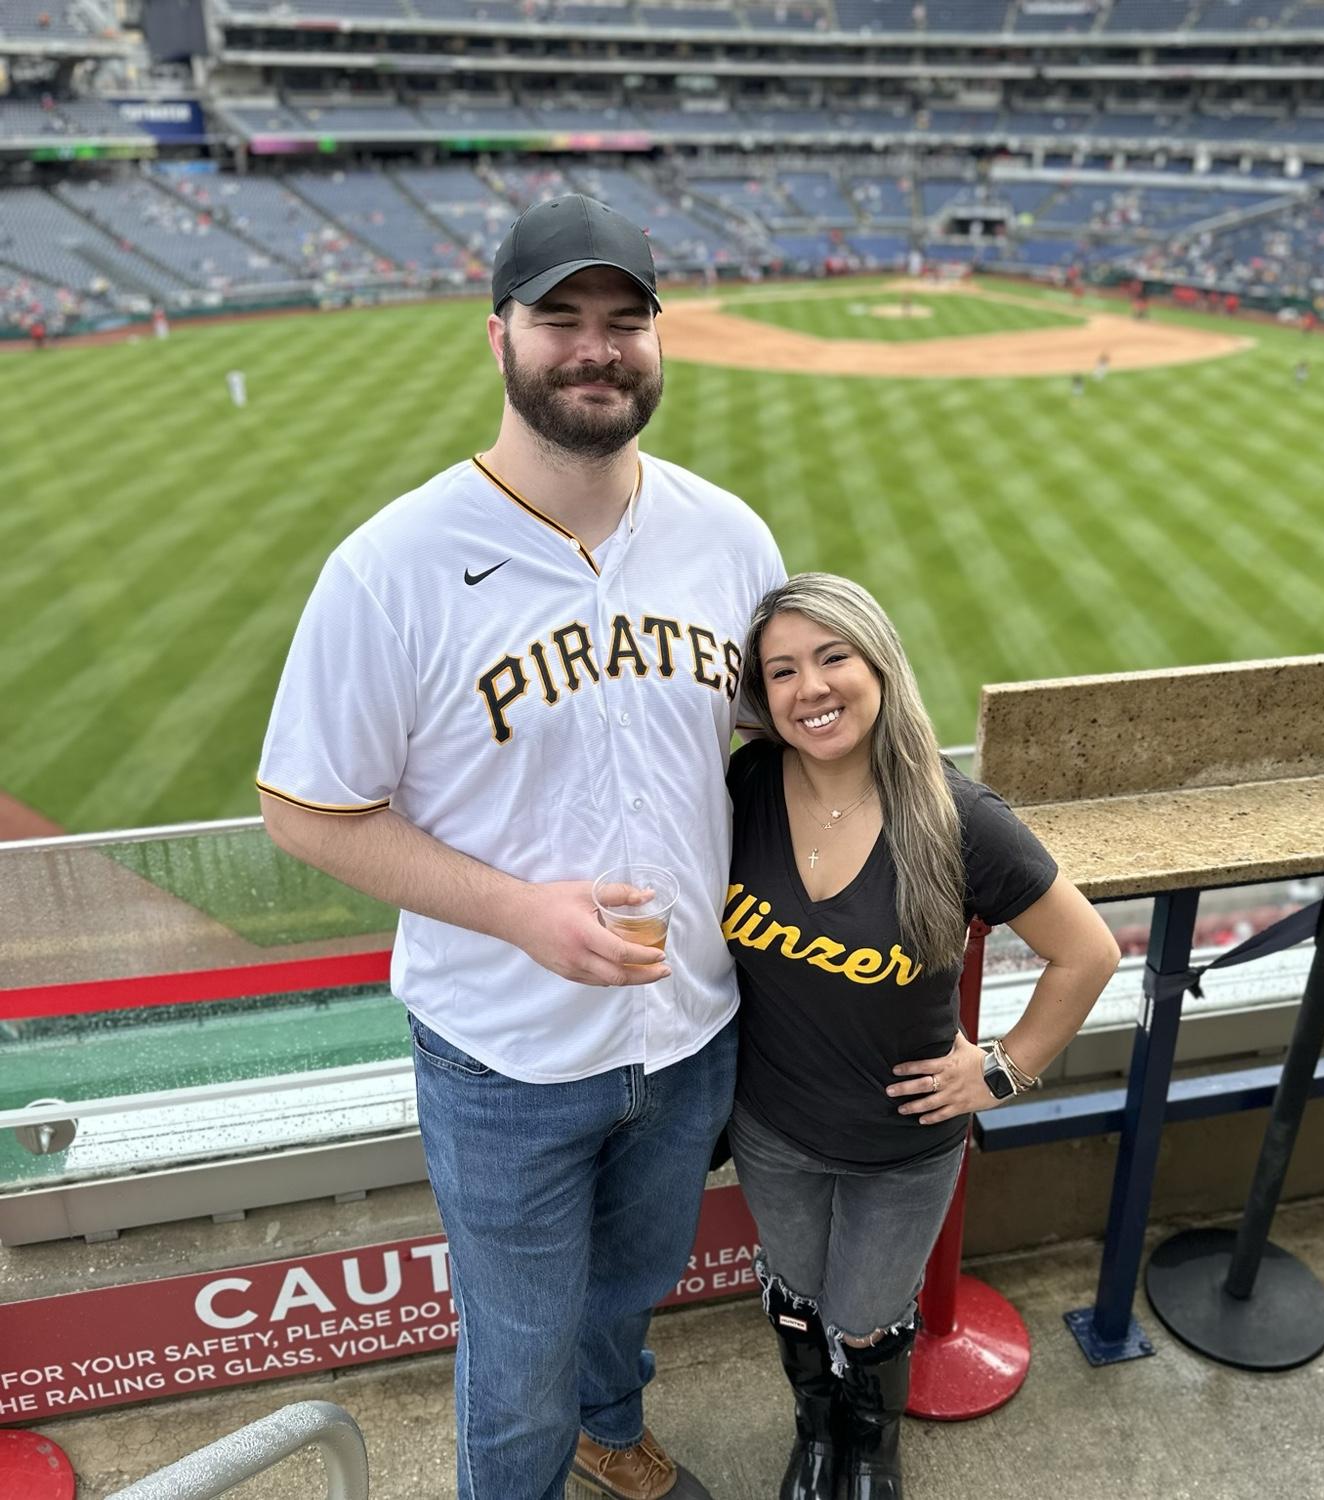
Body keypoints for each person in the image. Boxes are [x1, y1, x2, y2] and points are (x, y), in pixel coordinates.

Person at [257, 193, 785, 1500]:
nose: (595, 347)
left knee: (631, 1291)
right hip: (500, 1053)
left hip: (688, 1029)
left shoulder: (730, 538)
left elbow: (770, 753)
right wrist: (518, 913)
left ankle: (614, 1428)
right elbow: (305, 808)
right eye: (562, 318)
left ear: (660, 343)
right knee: (519, 1346)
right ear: (499, 336)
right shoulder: (392, 568)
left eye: (626, 321)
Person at [722, 574, 1120, 1500]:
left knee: (865, 1314)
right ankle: (816, 1432)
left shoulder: (958, 816)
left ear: (879, 665)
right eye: (781, 671)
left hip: (903, 1146)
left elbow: (1087, 954)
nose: (809, 689)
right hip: (771, 1129)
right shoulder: (744, 784)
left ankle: (873, 1446)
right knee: (793, 1293)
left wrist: (1004, 1070)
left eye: (832, 658)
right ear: (762, 696)